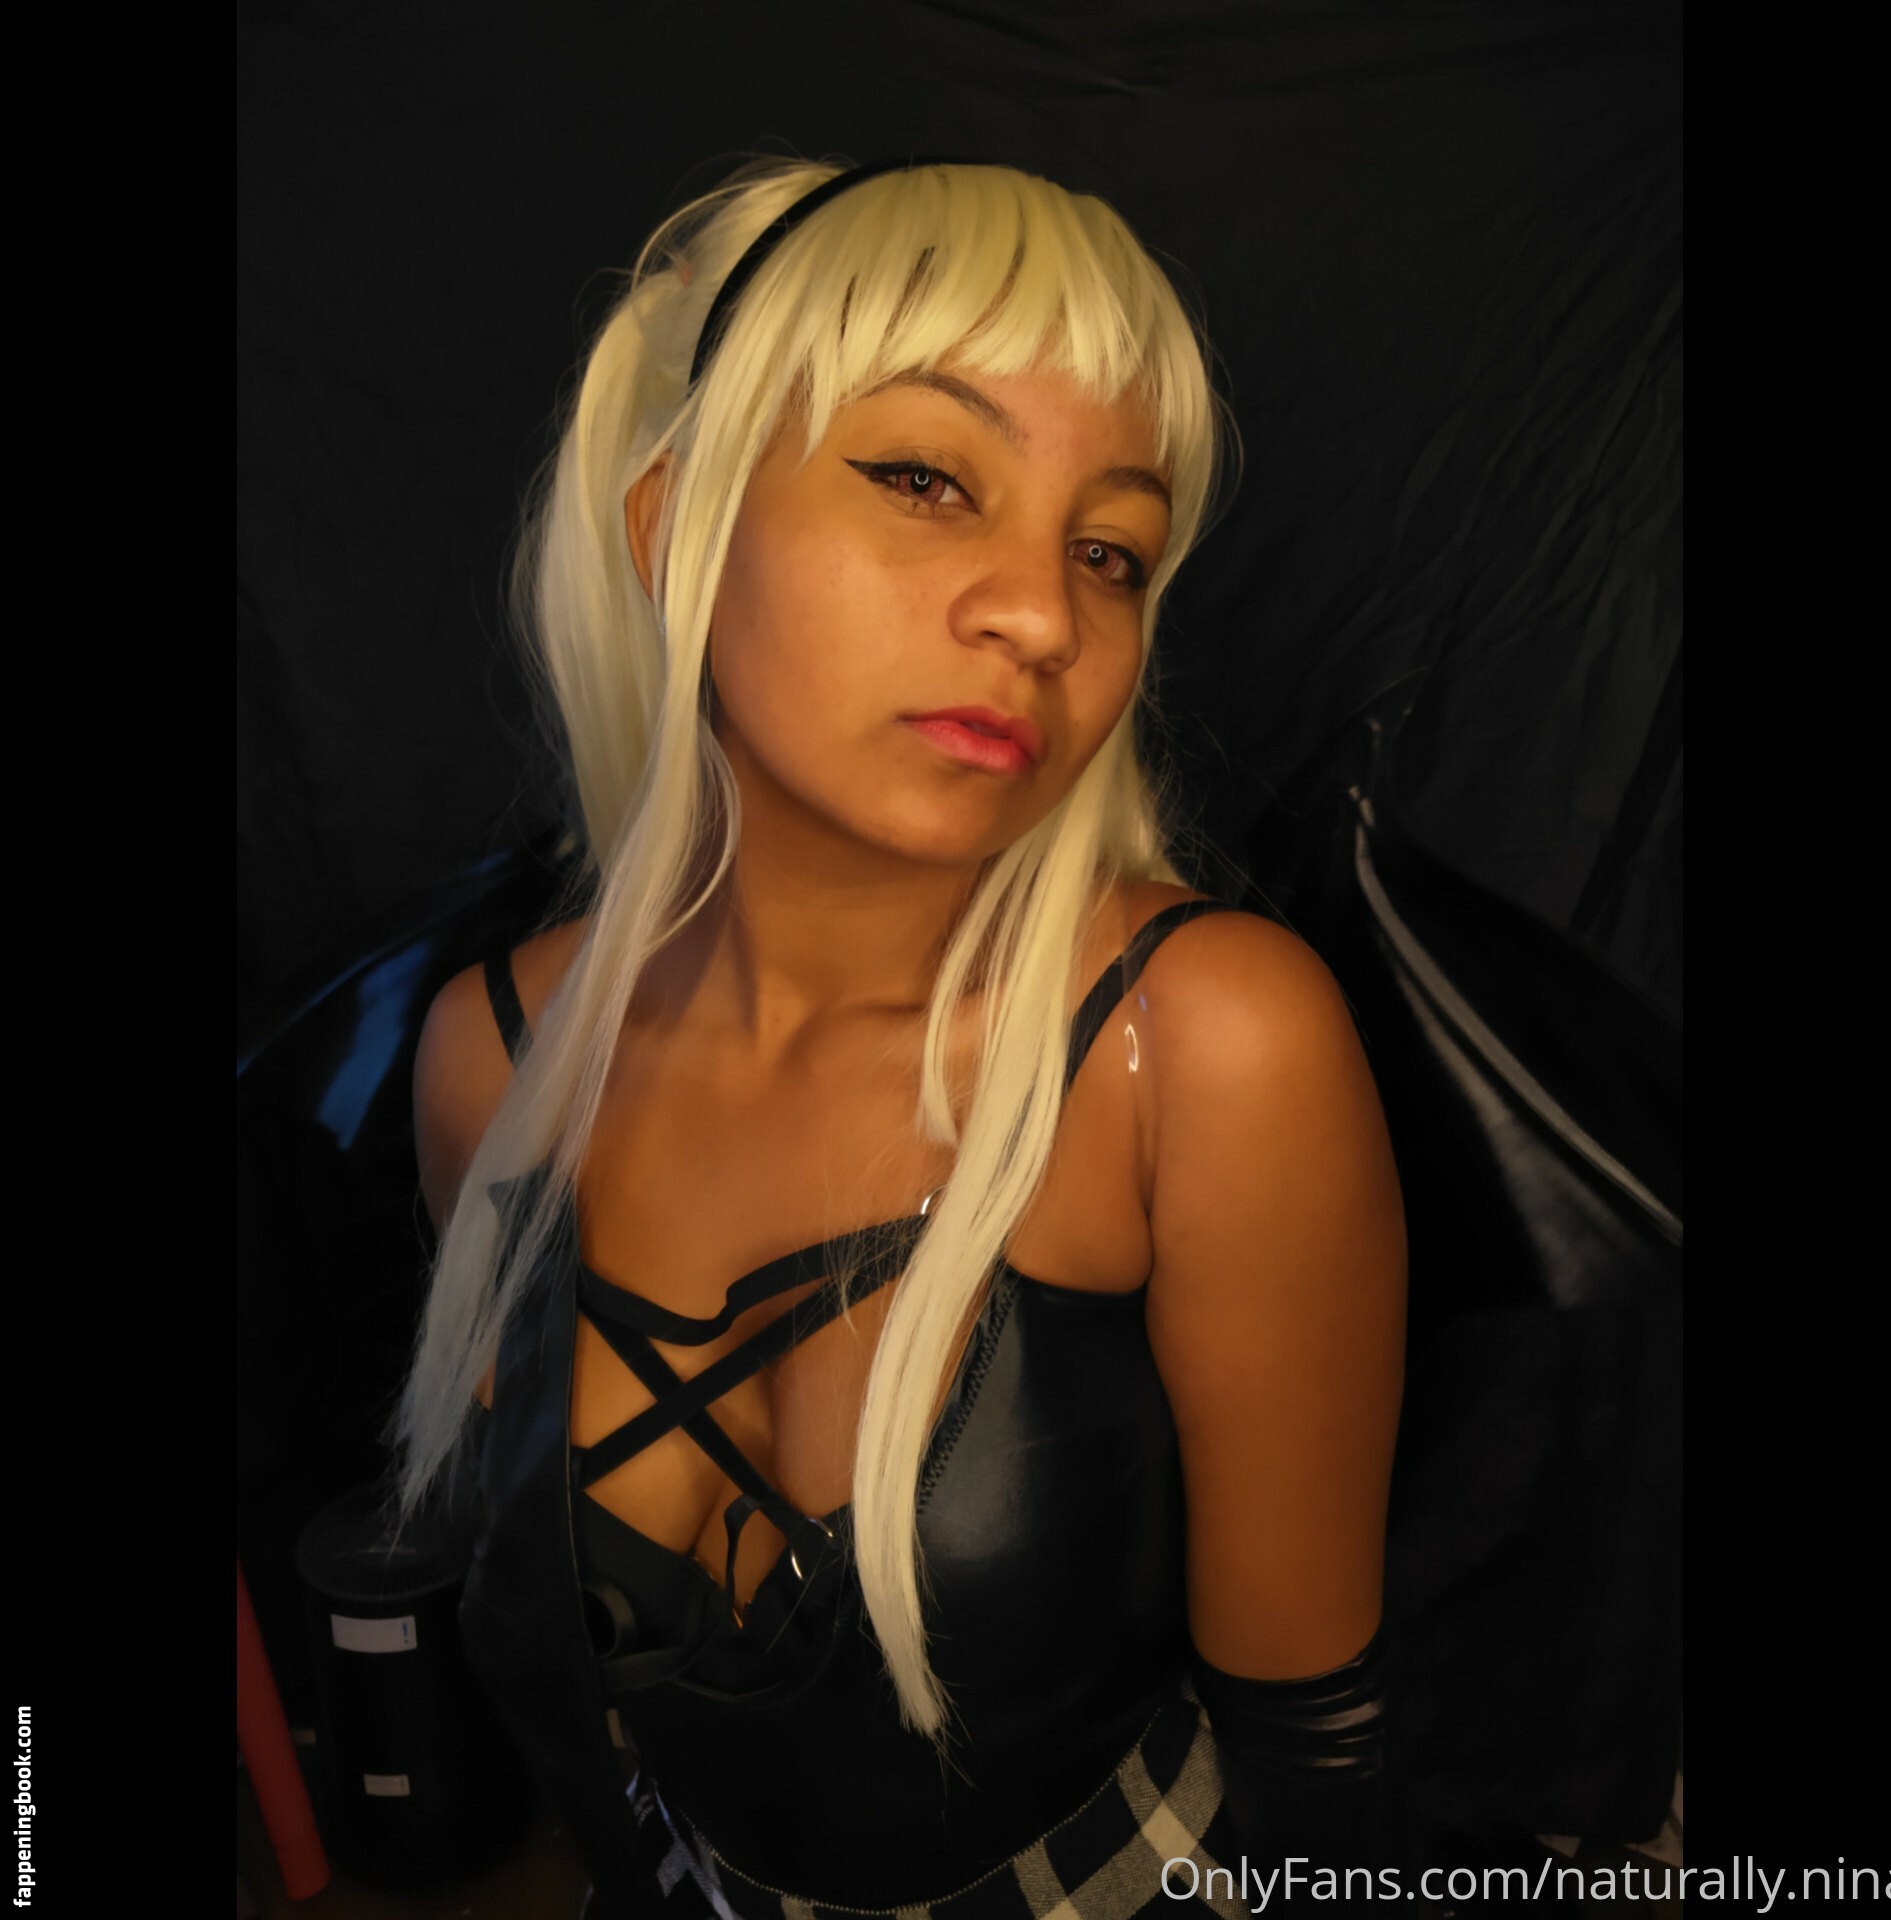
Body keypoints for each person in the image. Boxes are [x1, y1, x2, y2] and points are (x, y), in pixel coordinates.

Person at [390, 155, 1408, 1918]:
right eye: (928, 479)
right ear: (674, 525)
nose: (1043, 617)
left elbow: (1315, 1746)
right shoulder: (497, 1058)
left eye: (1110, 551)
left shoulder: (1197, 1048)